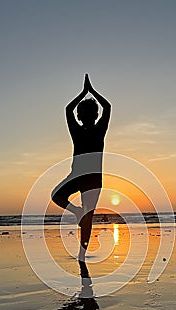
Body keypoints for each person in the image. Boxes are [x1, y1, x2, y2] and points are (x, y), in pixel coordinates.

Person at [51, 74, 111, 264]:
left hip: (90, 178)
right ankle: (77, 215)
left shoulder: (97, 130)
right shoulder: (81, 131)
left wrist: (85, 92)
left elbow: (70, 109)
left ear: (85, 115)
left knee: (87, 215)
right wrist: (89, 91)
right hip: (82, 176)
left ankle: (82, 255)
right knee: (59, 197)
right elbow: (106, 107)